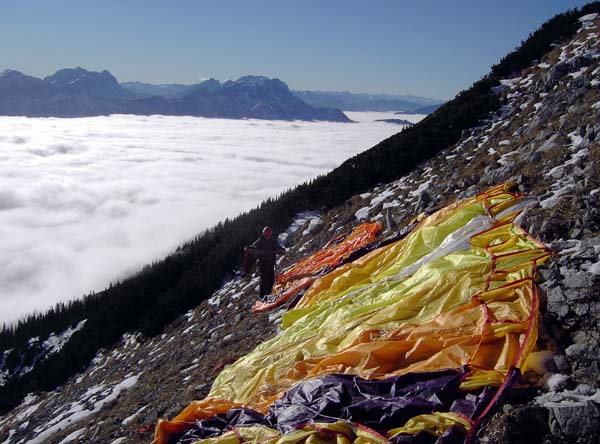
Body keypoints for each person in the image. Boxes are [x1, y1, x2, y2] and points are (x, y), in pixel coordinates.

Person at [244, 226, 285, 297]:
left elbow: (278, 248)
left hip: (271, 263)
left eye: (268, 235)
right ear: (263, 234)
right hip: (262, 264)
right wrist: (249, 248)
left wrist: (282, 250)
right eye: (266, 235)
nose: (267, 237)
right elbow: (253, 247)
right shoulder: (260, 241)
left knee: (271, 279)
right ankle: (263, 297)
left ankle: (269, 294)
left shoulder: (273, 241)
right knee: (263, 280)